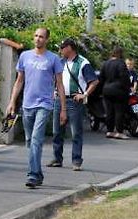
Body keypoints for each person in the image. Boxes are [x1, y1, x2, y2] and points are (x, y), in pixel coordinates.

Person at [6, 27, 67, 188]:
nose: (38, 39)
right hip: (27, 104)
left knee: (36, 140)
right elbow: (19, 81)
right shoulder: (25, 56)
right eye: (36, 36)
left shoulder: (53, 59)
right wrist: (12, 101)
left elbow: (60, 85)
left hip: (44, 104)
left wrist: (63, 109)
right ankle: (38, 172)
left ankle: (32, 175)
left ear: (47, 40)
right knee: (30, 141)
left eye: (41, 37)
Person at [47, 38, 98, 171]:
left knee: (76, 132)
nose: (60, 50)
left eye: (62, 47)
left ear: (70, 48)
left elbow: (94, 81)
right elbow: (55, 79)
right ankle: (57, 158)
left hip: (75, 101)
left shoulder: (82, 62)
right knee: (57, 130)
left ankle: (76, 160)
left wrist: (85, 94)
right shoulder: (60, 62)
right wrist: (54, 91)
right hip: (59, 99)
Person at [99, 47, 132, 140]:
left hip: (106, 90)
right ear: (120, 54)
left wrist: (102, 89)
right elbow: (124, 78)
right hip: (119, 91)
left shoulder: (105, 63)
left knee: (109, 111)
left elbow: (101, 78)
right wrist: (128, 88)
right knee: (119, 111)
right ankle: (119, 132)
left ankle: (109, 131)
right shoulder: (121, 64)